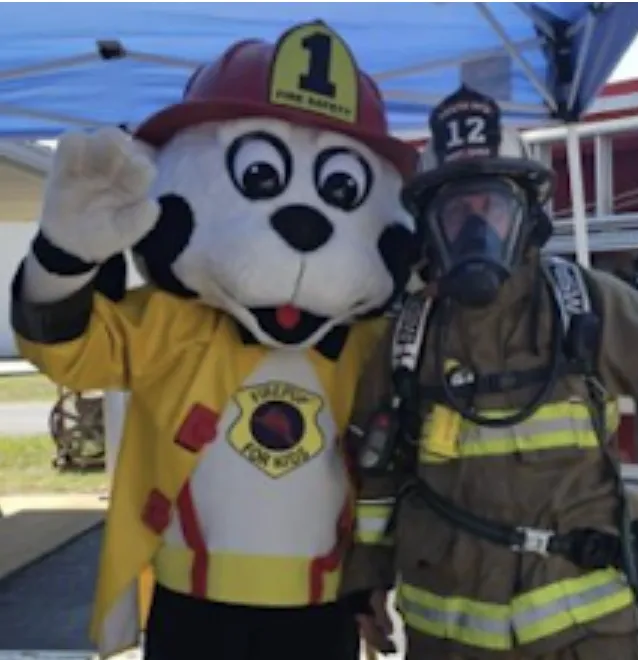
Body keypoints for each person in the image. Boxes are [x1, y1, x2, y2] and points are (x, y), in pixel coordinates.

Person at [10, 21, 417, 660]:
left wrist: (370, 582)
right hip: (194, 606)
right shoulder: (172, 322)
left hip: (320, 606)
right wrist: (63, 258)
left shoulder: (373, 343)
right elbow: (71, 351)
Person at [340, 85, 638, 660]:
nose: (477, 231)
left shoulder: (585, 303)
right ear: (431, 228)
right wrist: (367, 582)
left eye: (492, 210)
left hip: (582, 641)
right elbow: (380, 477)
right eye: (458, 213)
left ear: (526, 219)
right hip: (447, 640)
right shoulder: (408, 336)